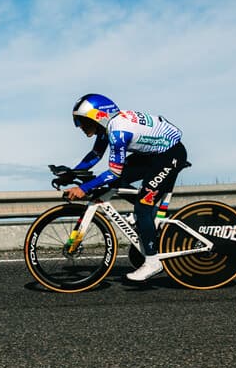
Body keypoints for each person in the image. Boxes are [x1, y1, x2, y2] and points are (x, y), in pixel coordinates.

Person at [62, 93, 187, 282]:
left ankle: (153, 261)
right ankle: (147, 218)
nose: (80, 127)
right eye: (78, 122)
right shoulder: (108, 126)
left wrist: (84, 188)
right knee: (115, 185)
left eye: (82, 121)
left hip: (169, 155)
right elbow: (95, 155)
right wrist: (72, 173)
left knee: (142, 206)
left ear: (98, 116)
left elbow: (114, 172)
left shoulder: (118, 131)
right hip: (152, 155)